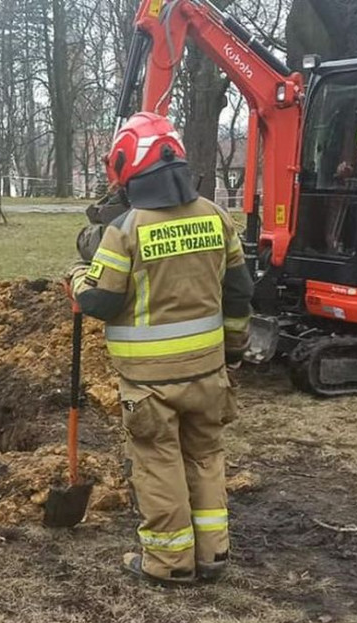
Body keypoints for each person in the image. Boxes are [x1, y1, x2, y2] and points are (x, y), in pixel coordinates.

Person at [66, 112, 253, 585]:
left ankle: (170, 562)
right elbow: (239, 292)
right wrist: (232, 351)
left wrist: (76, 279)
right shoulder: (216, 216)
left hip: (151, 383)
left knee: (158, 462)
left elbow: (100, 300)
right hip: (209, 373)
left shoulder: (126, 230)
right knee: (206, 456)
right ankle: (213, 555)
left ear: (129, 168)